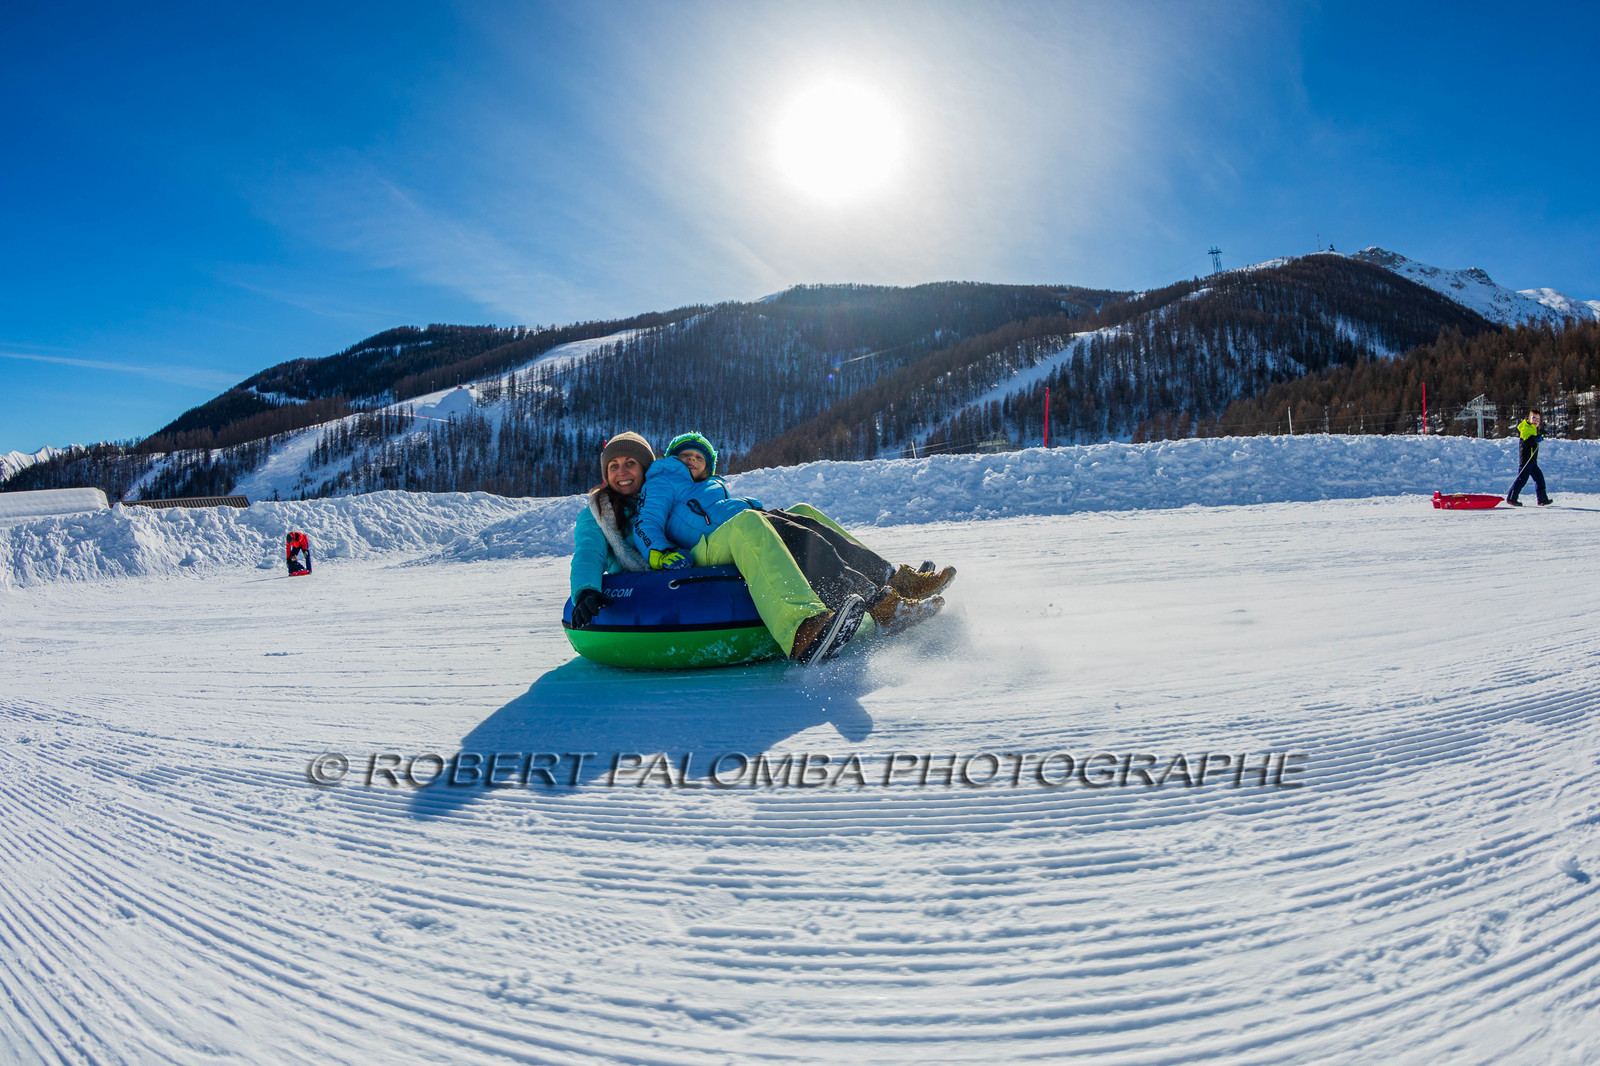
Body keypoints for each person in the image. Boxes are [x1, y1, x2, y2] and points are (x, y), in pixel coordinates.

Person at [632, 431, 954, 655]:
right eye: (684, 455)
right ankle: (811, 626)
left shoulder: (712, 488)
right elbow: (645, 522)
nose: (690, 460)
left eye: (698, 457)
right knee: (760, 524)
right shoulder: (665, 477)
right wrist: (660, 553)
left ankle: (895, 581)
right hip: (705, 548)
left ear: (708, 466)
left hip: (735, 531)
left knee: (804, 516)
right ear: (673, 458)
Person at [568, 431, 654, 628]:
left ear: (645, 468)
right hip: (630, 595)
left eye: (630, 463)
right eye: (614, 466)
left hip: (675, 584)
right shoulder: (596, 512)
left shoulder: (665, 502)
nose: (621, 472)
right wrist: (586, 590)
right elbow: (589, 551)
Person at [1506, 409, 1552, 507]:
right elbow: (1526, 443)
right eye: (1534, 418)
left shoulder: (1532, 428)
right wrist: (1535, 439)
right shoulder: (1526, 428)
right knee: (1522, 480)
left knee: (1539, 479)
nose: (1536, 421)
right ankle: (1511, 498)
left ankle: (1542, 499)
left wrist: (1537, 438)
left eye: (1538, 420)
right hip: (1526, 461)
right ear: (1529, 418)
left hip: (1532, 461)